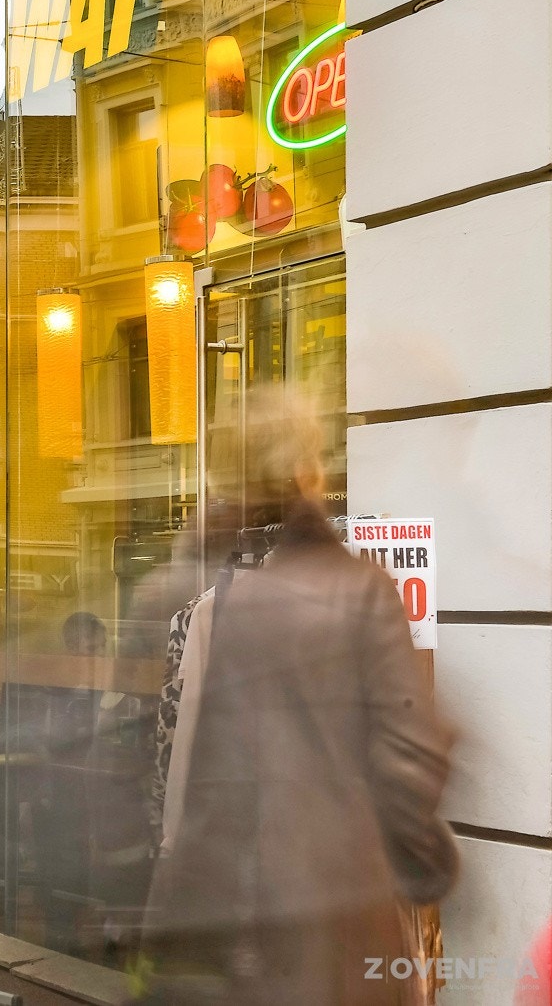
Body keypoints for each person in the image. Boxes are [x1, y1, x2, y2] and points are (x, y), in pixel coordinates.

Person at [143, 387, 458, 1005]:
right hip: (345, 901)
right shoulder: (363, 590)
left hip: (257, 909)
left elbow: (211, 780)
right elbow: (412, 757)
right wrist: (425, 862)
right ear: (308, 470)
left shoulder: (240, 605)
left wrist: (185, 914)